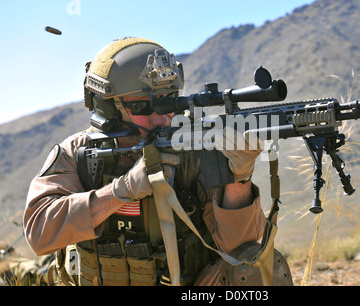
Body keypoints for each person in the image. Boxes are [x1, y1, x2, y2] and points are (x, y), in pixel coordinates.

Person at [22, 37, 275, 286]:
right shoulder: (77, 152)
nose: (163, 119)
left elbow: (241, 252)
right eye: (144, 106)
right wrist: (121, 191)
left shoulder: (194, 152)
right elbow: (39, 235)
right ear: (108, 107)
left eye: (170, 102)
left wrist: (240, 179)